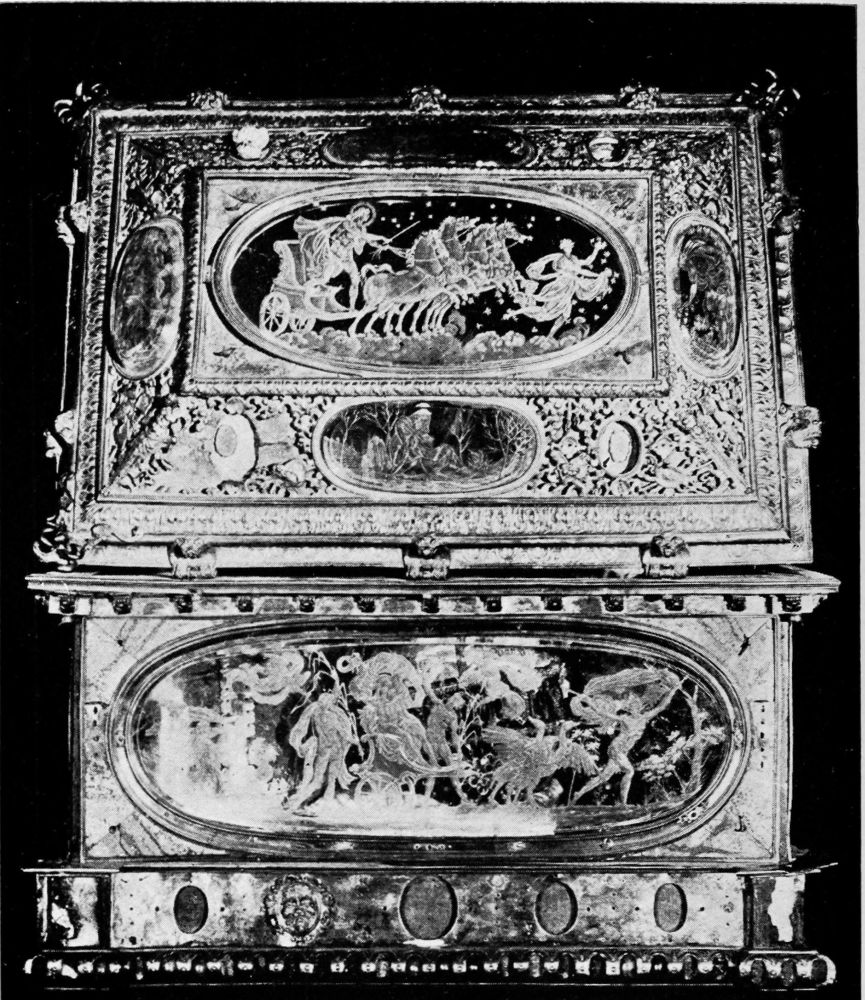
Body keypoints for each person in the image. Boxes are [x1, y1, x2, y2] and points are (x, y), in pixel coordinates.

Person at [293, 202, 400, 309]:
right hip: (334, 254)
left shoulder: (362, 230)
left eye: (367, 215)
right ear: (359, 213)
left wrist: (381, 245)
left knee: (355, 280)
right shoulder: (347, 223)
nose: (366, 217)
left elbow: (366, 244)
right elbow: (363, 236)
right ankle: (305, 291)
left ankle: (352, 308)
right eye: (365, 214)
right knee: (324, 278)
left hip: (346, 257)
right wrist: (381, 237)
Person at [507, 237, 613, 335]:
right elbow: (580, 271)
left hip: (570, 287)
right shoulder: (560, 259)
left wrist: (596, 250)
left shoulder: (573, 258)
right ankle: (521, 307)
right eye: (566, 246)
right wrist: (597, 275)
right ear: (563, 248)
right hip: (560, 286)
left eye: (570, 246)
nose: (569, 248)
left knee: (564, 313)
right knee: (547, 309)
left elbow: (586, 262)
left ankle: (550, 335)